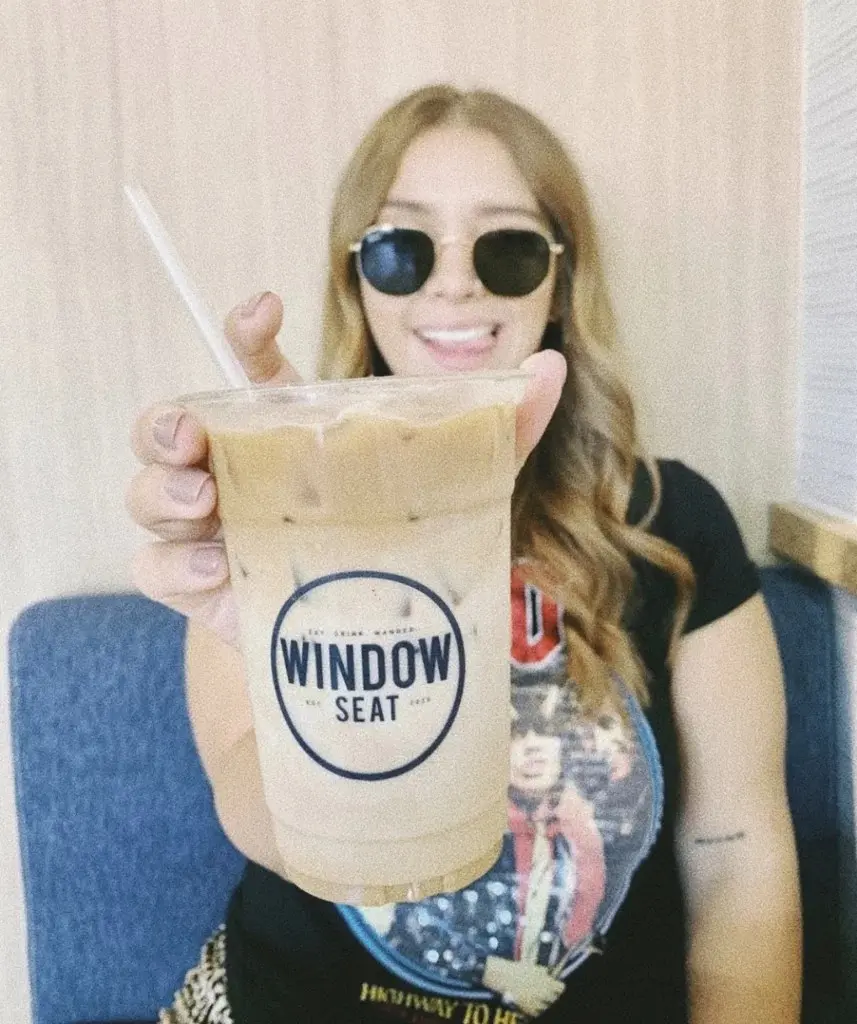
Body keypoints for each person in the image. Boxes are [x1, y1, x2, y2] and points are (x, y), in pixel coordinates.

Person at [126, 84, 802, 1023]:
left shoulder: (670, 519)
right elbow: (259, 815)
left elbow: (736, 853)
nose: (454, 285)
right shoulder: (277, 501)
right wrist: (296, 599)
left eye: (507, 246)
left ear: (559, 283)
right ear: (355, 280)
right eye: (402, 250)